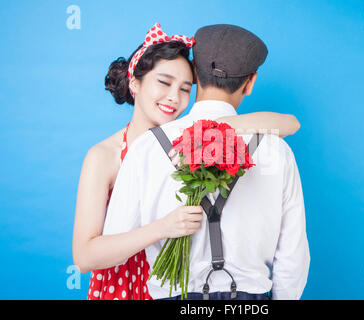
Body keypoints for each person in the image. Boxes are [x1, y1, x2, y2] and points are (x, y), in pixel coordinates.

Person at [72, 23, 301, 300]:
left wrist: (213, 126)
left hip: (169, 292)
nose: (173, 98)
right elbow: (292, 257)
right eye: (164, 82)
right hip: (135, 286)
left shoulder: (149, 147)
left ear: (196, 78)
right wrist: (163, 227)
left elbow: (288, 123)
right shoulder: (277, 149)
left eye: (183, 88)